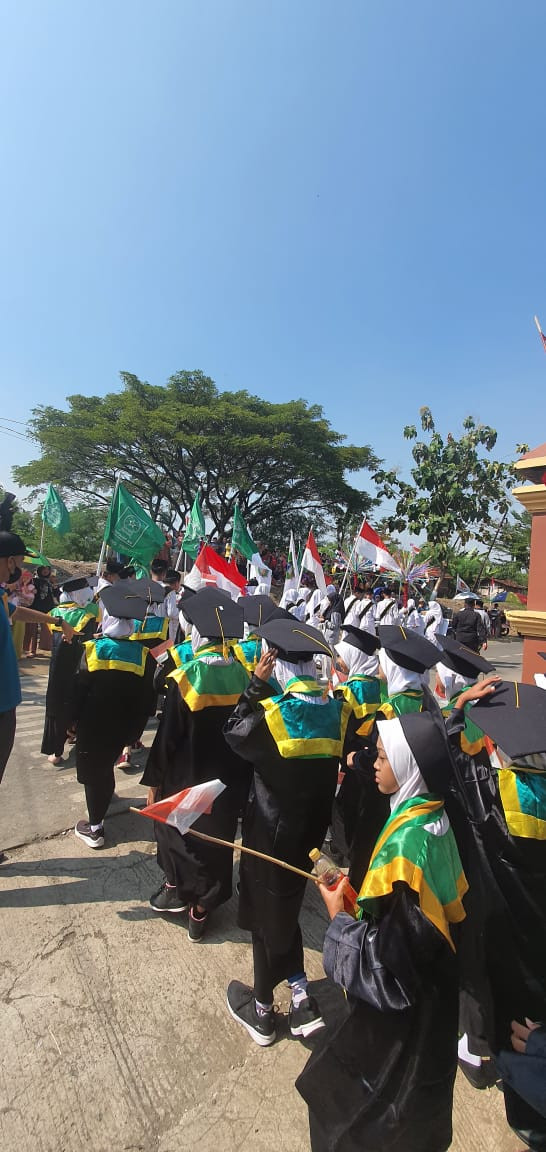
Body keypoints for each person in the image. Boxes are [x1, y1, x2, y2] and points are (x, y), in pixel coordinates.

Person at [296, 711, 468, 1152]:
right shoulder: (433, 818)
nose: (374, 762)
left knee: (359, 1119)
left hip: (404, 1027)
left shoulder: (405, 856)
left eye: (384, 758)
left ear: (409, 768)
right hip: (435, 1000)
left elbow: (387, 973)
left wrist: (339, 922)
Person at [224, 617, 351, 1047]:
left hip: (270, 831)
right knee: (285, 907)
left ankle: (262, 1010)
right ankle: (299, 991)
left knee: (264, 916)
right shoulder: (336, 710)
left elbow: (234, 733)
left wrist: (255, 687)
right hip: (312, 836)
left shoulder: (275, 714)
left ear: (274, 663)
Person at [141, 588, 251, 941]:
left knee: (175, 831)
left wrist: (153, 781)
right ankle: (202, 910)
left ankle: (178, 887)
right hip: (226, 779)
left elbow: (167, 739)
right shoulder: (245, 677)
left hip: (186, 776)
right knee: (217, 840)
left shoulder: (186, 679)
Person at [0, 495, 74, 861]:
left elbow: (19, 611)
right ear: (8, 560)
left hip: (6, 701)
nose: (20, 569)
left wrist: (54, 621)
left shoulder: (1, 595)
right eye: (17, 562)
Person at [72, 579, 157, 849]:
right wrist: (135, 731)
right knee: (105, 764)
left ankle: (95, 828)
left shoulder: (93, 650)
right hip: (124, 726)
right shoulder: (143, 655)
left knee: (93, 770)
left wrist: (70, 722)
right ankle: (106, 797)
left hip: (92, 725)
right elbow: (147, 699)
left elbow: (77, 691)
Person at [41, 577, 100, 765]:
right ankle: (75, 734)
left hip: (57, 669)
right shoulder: (87, 615)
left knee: (57, 705)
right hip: (79, 667)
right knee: (80, 702)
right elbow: (88, 640)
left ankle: (56, 752)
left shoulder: (53, 613)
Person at [376, 625, 440, 718]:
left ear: (391, 669)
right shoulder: (429, 701)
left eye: (381, 663)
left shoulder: (390, 709)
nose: (378, 667)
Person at [23, 564, 57, 655]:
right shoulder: (34, 580)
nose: (46, 571)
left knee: (46, 630)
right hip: (34, 607)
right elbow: (27, 590)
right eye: (44, 570)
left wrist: (54, 587)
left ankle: (46, 647)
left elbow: (52, 595)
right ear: (39, 570)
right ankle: (31, 650)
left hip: (47, 608)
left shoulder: (49, 582)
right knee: (32, 630)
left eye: (47, 570)